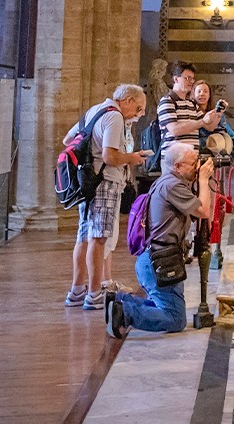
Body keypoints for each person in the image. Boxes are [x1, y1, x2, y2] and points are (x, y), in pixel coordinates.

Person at [106, 143, 213, 337]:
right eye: (194, 163)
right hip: (160, 262)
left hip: (153, 258)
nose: (198, 166)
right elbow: (204, 211)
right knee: (175, 319)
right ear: (178, 166)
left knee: (162, 305)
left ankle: (119, 300)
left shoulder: (166, 181)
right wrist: (204, 180)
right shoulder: (172, 185)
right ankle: (124, 312)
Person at [65, 84, 150, 310]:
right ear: (128, 100)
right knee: (98, 238)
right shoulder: (115, 117)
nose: (138, 114)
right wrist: (132, 158)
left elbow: (68, 140)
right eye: (138, 108)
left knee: (84, 237)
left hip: (88, 183)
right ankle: (94, 294)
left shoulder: (95, 111)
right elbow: (110, 156)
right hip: (105, 182)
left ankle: (77, 290)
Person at [156, 62, 222, 167]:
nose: (191, 82)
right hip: (175, 162)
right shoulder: (167, 101)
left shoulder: (192, 104)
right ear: (176, 79)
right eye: (187, 78)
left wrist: (219, 113)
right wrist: (202, 121)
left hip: (192, 160)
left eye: (192, 79)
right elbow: (175, 130)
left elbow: (210, 127)